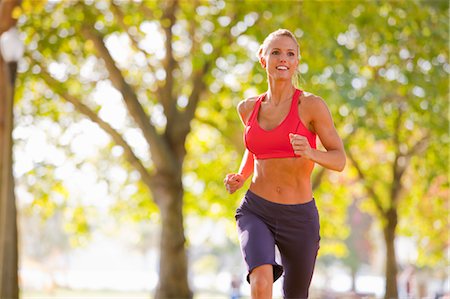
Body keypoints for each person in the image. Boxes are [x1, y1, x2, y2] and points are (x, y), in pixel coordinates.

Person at [224, 29, 346, 299]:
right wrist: (241, 177)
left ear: (297, 62)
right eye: (276, 52)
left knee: (295, 294)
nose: (283, 59)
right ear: (263, 59)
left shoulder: (311, 105)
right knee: (261, 282)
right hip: (257, 210)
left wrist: (312, 153)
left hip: (299, 216)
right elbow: (254, 149)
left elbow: (339, 159)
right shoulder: (248, 108)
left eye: (290, 54)